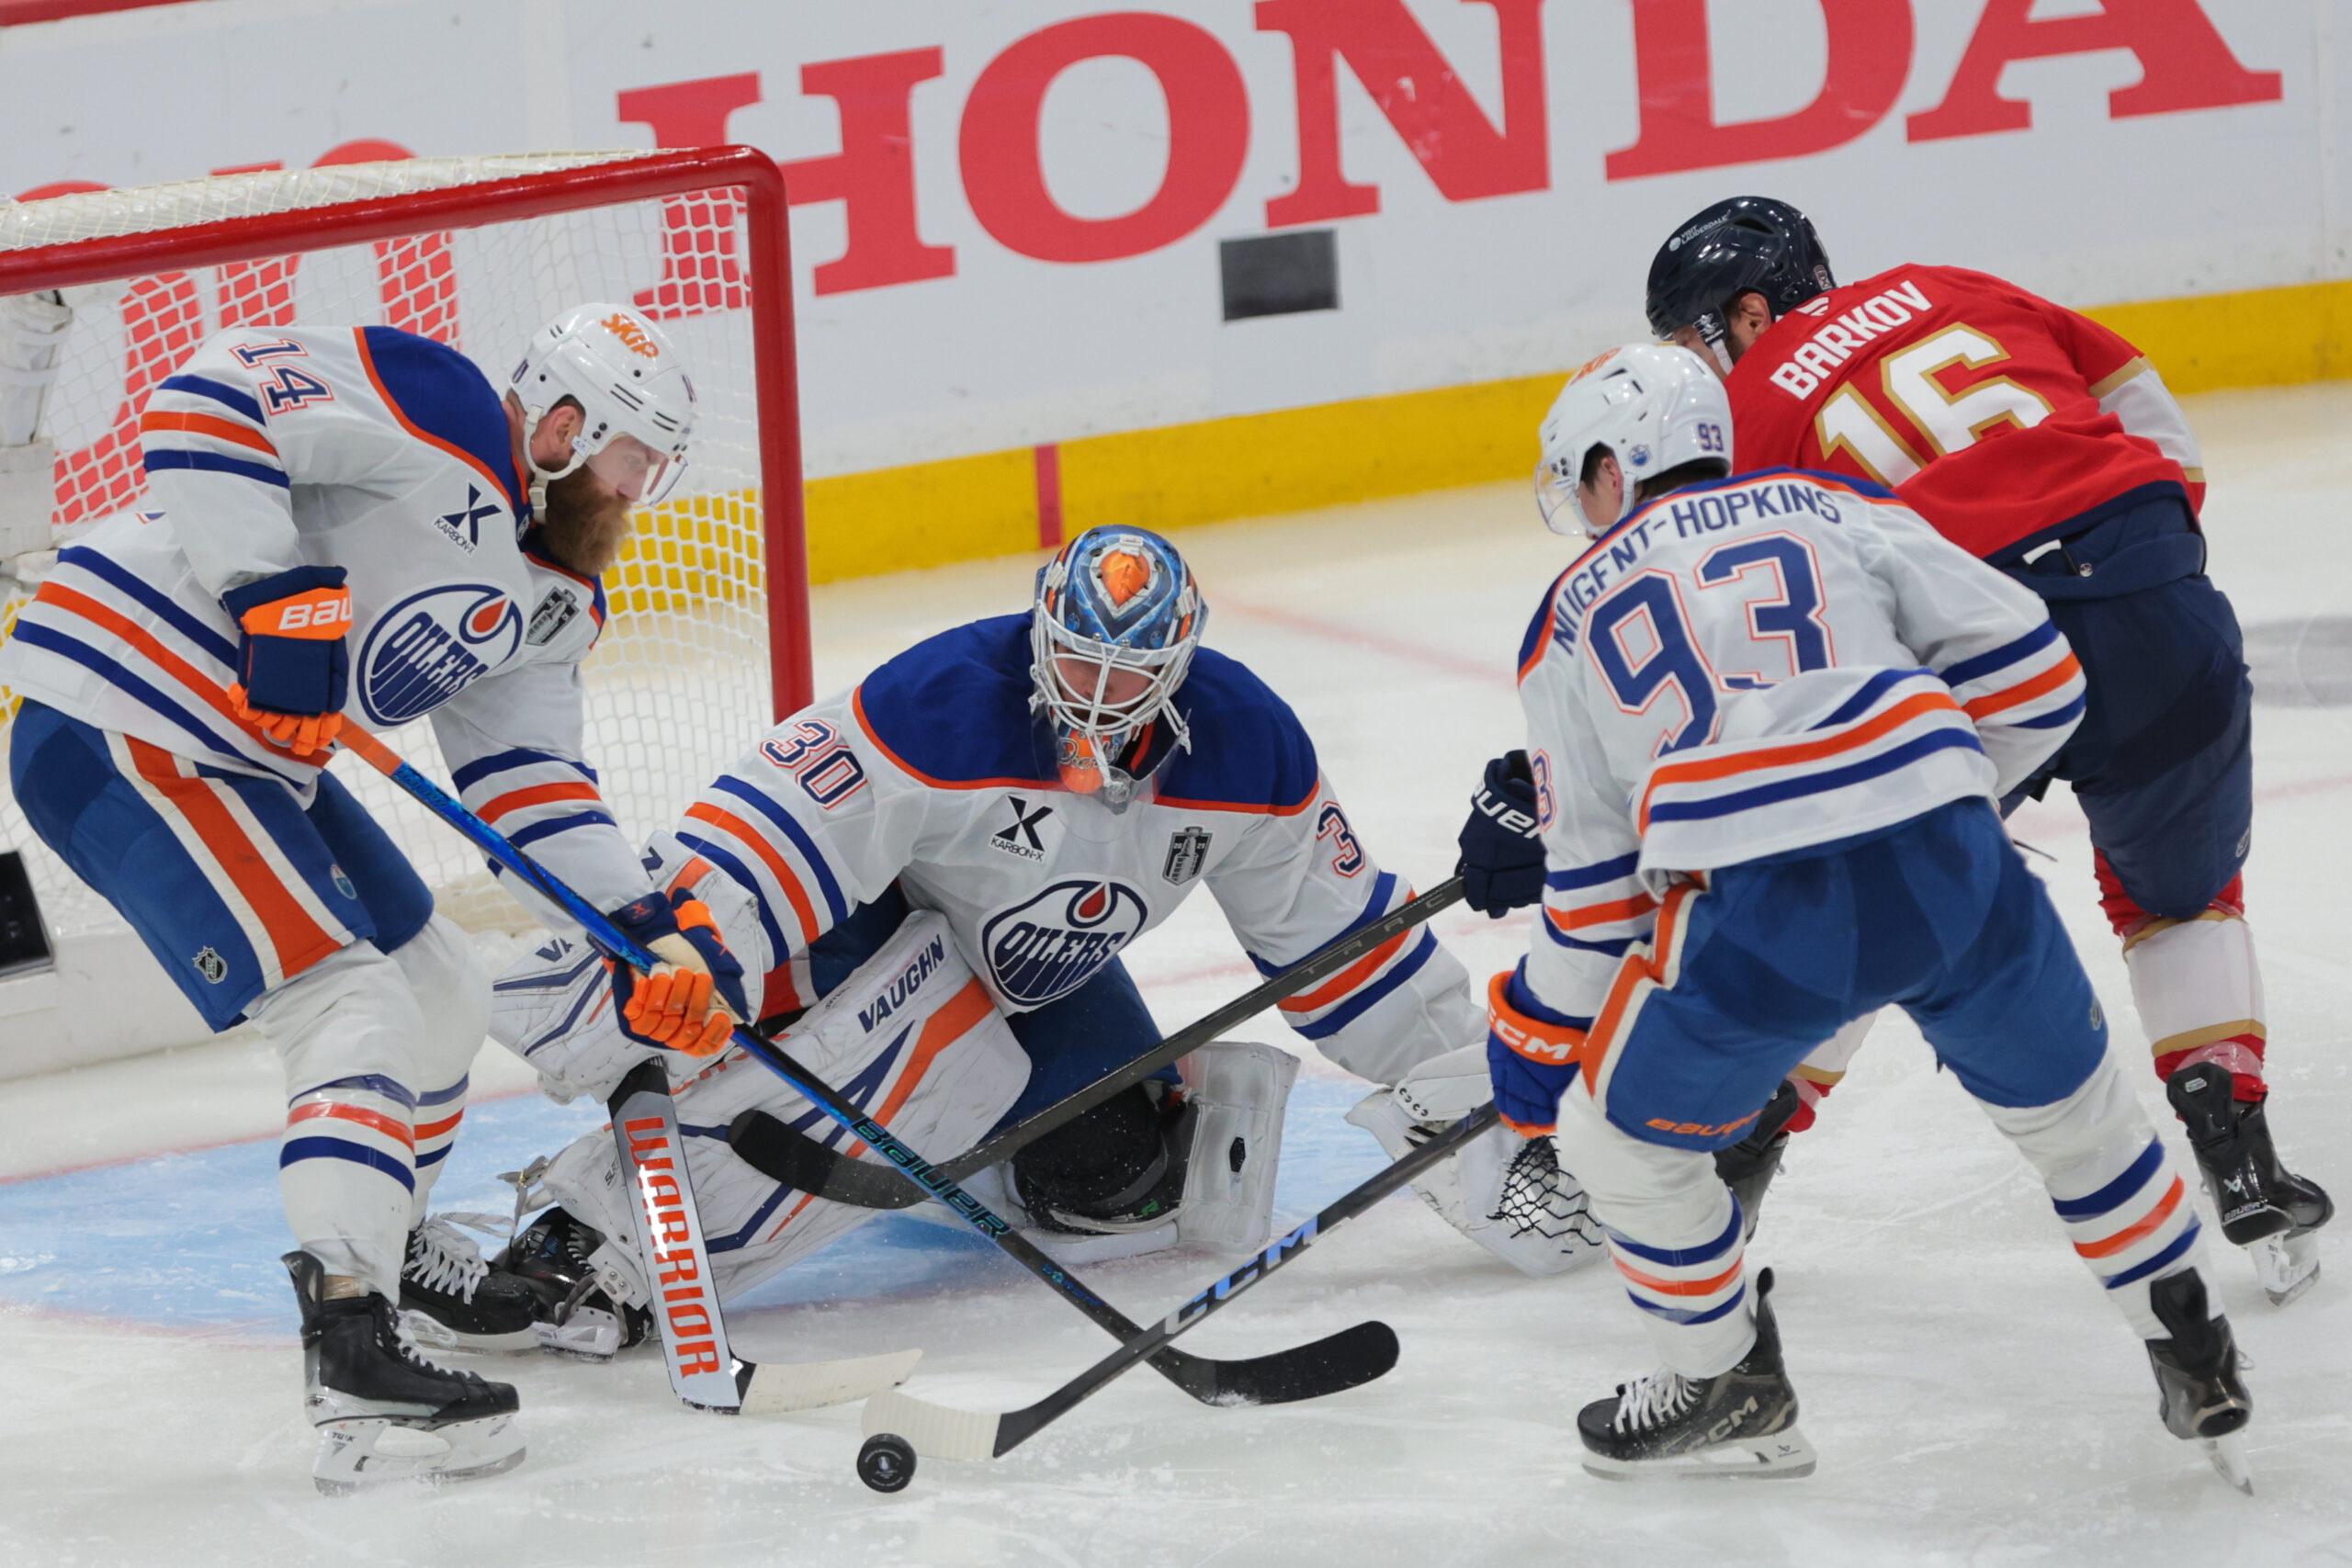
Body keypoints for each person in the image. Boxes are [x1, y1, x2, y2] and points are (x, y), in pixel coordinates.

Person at [419, 525, 1603, 1358]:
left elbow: (1351, 953)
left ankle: (933, 1142)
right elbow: (760, 838)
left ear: (1177, 667)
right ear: (1037, 632)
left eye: (1126, 671)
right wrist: (683, 960)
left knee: (1120, 1182)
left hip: (1025, 983)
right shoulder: (939, 701)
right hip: (851, 930)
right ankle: (587, 1248)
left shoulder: (1250, 753)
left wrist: (1488, 1108)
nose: (1093, 691)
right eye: (1074, 658)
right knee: (928, 1035)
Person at [1476, 343, 2250, 1483]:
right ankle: (2196, 1350)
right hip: (1953, 863)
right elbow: (2039, 678)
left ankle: (1729, 1384)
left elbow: (1593, 896)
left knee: (1614, 1147)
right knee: (2080, 1124)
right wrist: (1928, 792)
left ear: (1611, 466)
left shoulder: (1567, 613)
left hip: (1758, 922)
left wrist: (1533, 1049)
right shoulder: (1834, 501)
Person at [0, 304, 741, 1492]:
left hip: (241, 753)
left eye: (654, 469)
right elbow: (205, 397)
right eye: (628, 458)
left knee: (437, 983)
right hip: (121, 707)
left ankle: (393, 1257)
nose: (637, 491)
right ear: (561, 423)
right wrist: (271, 592)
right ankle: (350, 1336)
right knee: (354, 1008)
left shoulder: (548, 597)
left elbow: (527, 786)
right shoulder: (438, 404)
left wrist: (650, 928)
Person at [1619, 196, 2331, 1302]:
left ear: (1749, 312)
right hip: (2156, 599)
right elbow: (2141, 406)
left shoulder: (1753, 407)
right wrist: (2153, 568)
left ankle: (1744, 1149)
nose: (1698, 371)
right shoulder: (1956, 287)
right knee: (2180, 900)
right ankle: (2237, 1153)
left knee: (1870, 884)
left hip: (1987, 645)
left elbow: (1764, 606)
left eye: (1696, 339)